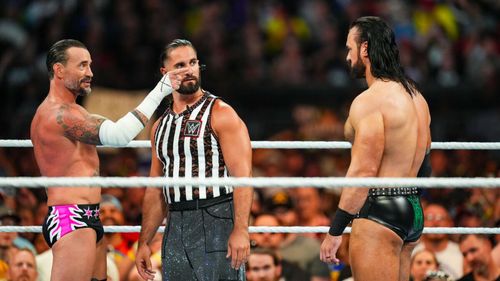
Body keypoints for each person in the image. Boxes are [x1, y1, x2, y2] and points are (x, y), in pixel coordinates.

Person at [30, 39, 186, 281]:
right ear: (59, 70)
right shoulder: (57, 114)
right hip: (71, 218)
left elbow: (117, 127)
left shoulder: (76, 112)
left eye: (90, 65)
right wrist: (160, 90)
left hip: (89, 215)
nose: (90, 73)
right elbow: (119, 135)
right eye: (82, 65)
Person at [320, 16, 432, 281]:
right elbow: (425, 167)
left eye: (350, 48)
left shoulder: (370, 101)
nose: (347, 56)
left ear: (365, 49)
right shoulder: (417, 98)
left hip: (379, 210)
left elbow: (363, 171)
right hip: (412, 209)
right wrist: (407, 204)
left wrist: (335, 231)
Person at [135, 39, 253, 281]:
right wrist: (144, 242)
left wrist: (241, 229)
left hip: (217, 215)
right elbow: (156, 188)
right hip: (175, 222)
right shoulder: (159, 126)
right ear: (164, 73)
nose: (189, 69)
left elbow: (243, 177)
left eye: (193, 62)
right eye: (180, 65)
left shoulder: (221, 113)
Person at [414, 203, 464, 279]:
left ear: (450, 223)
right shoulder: (411, 254)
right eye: (430, 218)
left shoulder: (463, 253)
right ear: (421, 223)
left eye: (440, 218)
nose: (435, 223)